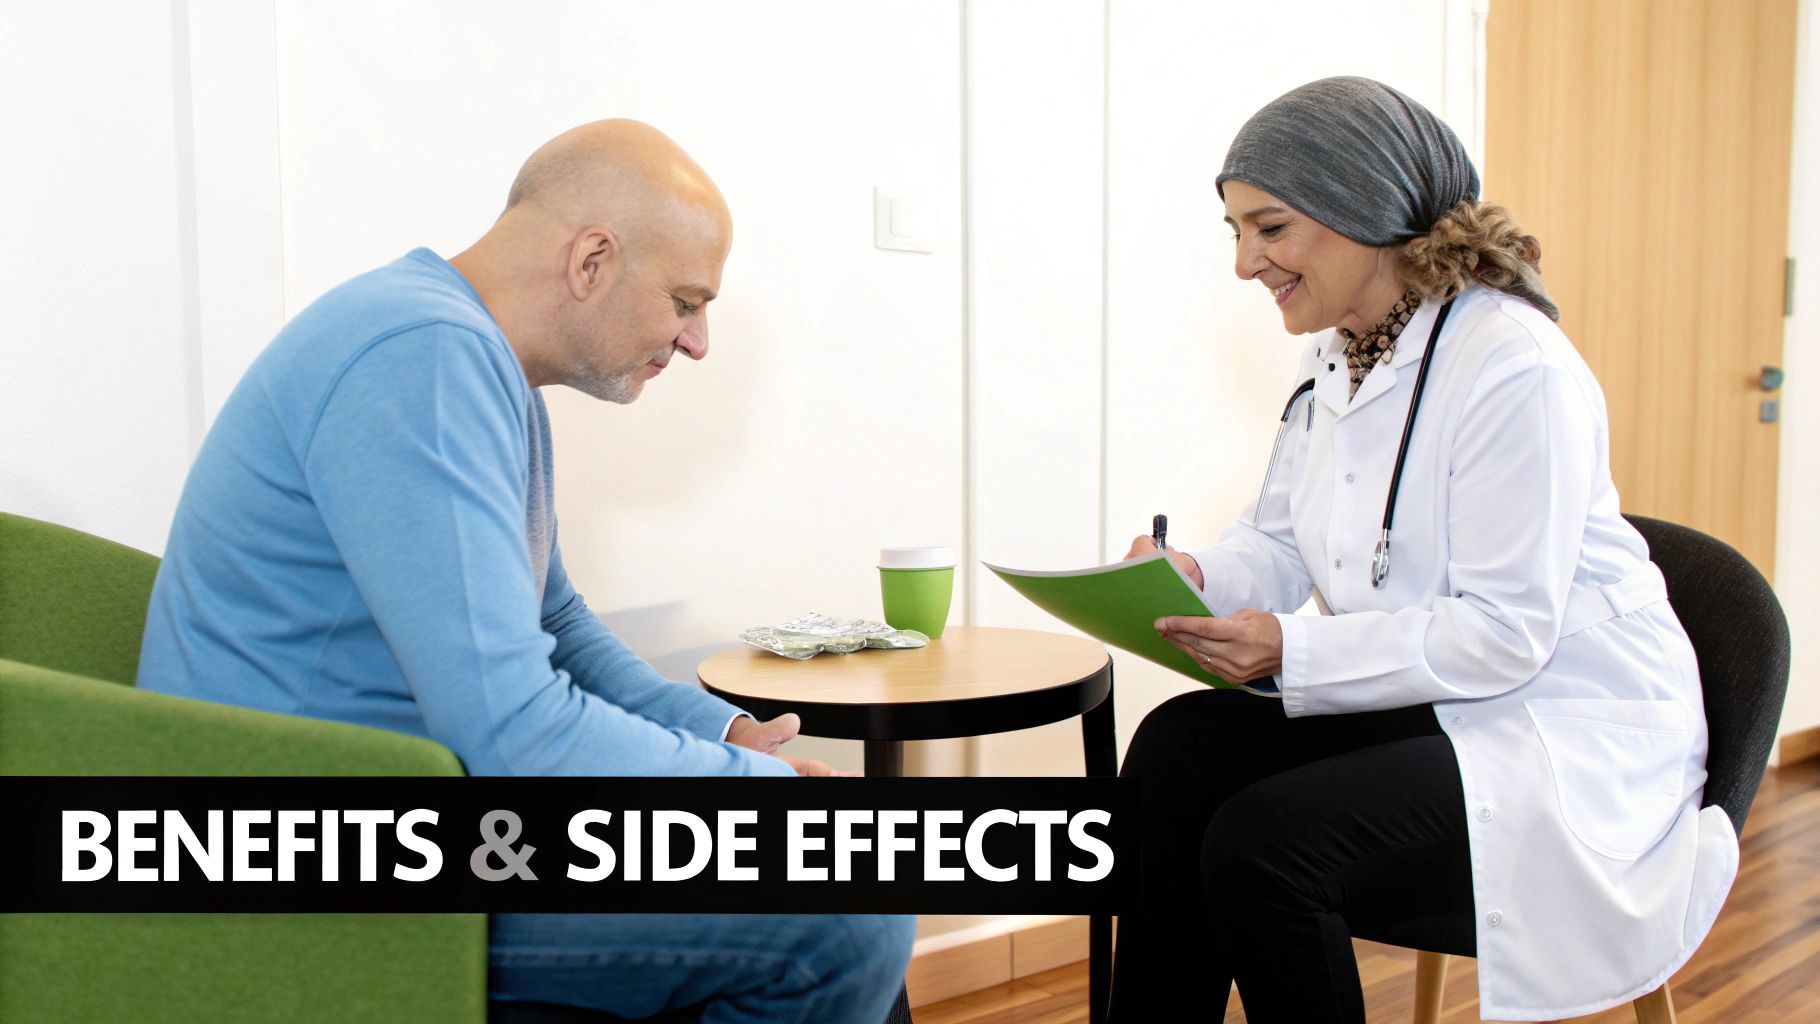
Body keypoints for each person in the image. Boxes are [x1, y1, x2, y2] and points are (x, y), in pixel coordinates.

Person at [137, 119, 915, 1023]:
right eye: (686, 300)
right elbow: (512, 733)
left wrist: (723, 736)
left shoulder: (471, 365)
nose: (698, 341)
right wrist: (754, 802)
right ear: (592, 260)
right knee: (846, 915)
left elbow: (560, 628)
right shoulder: (420, 354)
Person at [1109, 78, 1734, 1023]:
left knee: (1265, 843)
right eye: (1235, 231)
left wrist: (1290, 650)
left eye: (1269, 228)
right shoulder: (1337, 360)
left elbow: (1508, 635)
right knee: (1175, 750)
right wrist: (1197, 577)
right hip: (1446, 700)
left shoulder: (1512, 366)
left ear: (1364, 207)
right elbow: (1277, 539)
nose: (1246, 264)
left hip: (1561, 727)